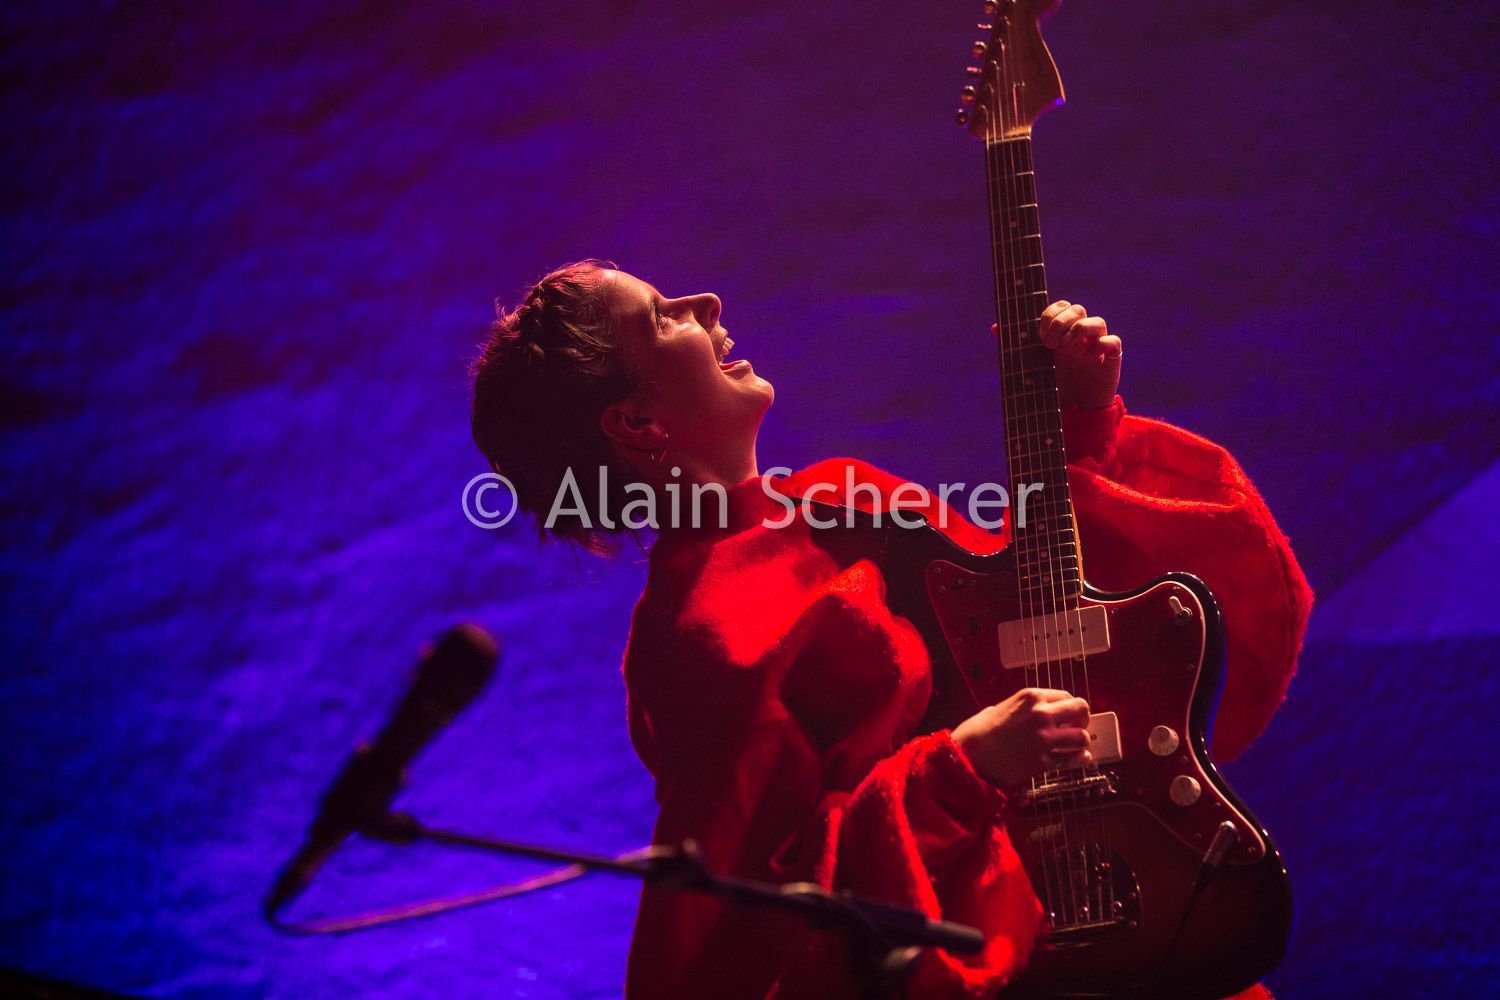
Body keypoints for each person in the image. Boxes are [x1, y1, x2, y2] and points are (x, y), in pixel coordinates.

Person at [470, 261, 1313, 999]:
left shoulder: (849, 495)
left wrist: (1084, 422)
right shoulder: (700, 632)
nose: (707, 303)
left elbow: (1050, 628)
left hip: (1102, 896)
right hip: (995, 958)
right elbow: (768, 908)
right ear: (637, 425)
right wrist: (961, 768)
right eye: (663, 316)